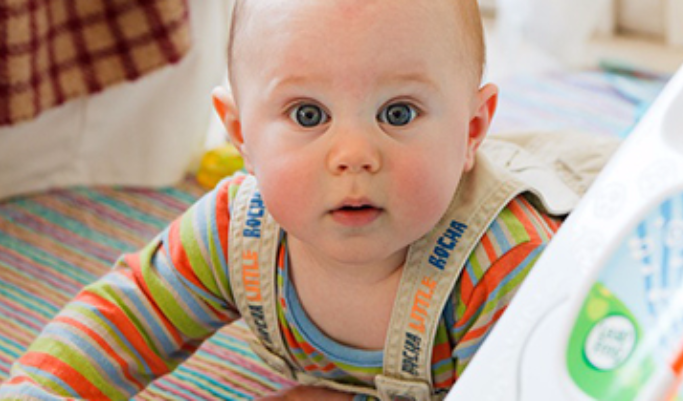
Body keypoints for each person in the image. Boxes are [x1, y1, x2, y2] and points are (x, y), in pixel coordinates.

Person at [0, 0, 615, 399]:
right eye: (308, 114)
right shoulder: (237, 230)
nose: (353, 154)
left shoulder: (507, 267)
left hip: (605, 213)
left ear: (471, 129)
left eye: (398, 113)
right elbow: (127, 316)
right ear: (240, 134)